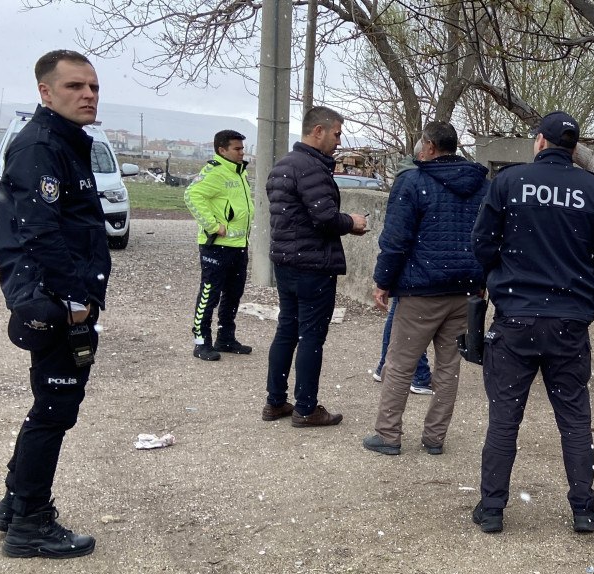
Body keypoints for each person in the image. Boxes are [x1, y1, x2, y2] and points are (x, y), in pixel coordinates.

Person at [471, 111, 594, 534]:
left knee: (504, 418)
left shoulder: (509, 182)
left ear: (539, 141)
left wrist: (505, 276)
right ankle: (583, 509)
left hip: (516, 318)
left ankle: (492, 507)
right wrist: (581, 284)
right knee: (574, 419)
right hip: (568, 321)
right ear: (574, 148)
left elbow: (482, 243)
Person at [0, 49, 109, 558]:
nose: (87, 95)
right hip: (56, 301)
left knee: (50, 406)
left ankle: (14, 503)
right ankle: (30, 524)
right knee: (54, 410)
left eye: (93, 87)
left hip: (62, 296)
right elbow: (38, 231)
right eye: (74, 86)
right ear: (46, 91)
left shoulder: (66, 141)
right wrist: (76, 299)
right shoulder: (41, 145)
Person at [362, 121, 488, 456]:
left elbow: (395, 239)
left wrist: (383, 281)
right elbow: (491, 239)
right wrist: (482, 282)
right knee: (448, 367)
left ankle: (388, 434)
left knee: (400, 363)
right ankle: (434, 437)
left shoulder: (413, 182)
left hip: (421, 289)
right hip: (465, 290)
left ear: (430, 146)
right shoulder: (483, 186)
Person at [262, 106, 368, 427]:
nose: (339, 141)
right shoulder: (311, 168)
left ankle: (275, 402)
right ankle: (306, 409)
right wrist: (352, 222)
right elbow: (324, 217)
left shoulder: (283, 165)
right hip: (312, 265)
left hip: (285, 262)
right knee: (311, 337)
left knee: (287, 330)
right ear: (318, 131)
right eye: (336, 133)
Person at [185, 129, 254, 361]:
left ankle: (225, 338)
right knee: (209, 293)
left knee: (233, 294)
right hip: (216, 246)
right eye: (237, 148)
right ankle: (201, 342)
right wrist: (213, 226)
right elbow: (191, 195)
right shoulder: (214, 172)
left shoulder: (239, 172)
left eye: (242, 148)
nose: (242, 153)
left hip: (239, 245)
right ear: (222, 150)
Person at [372, 140, 432, 395]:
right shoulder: (413, 181)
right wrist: (384, 278)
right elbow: (397, 234)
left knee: (399, 317)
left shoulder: (407, 178)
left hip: (407, 262)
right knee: (412, 324)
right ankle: (418, 374)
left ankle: (386, 365)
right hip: (413, 264)